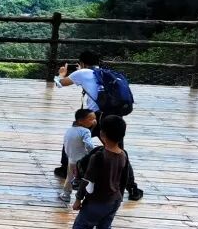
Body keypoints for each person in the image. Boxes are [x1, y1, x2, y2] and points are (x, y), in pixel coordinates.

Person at [49, 115, 138, 229]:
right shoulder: (123, 155)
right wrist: (118, 197)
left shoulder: (99, 156)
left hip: (97, 201)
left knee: (80, 228)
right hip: (114, 200)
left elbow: (87, 180)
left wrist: (78, 199)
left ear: (102, 134)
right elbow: (124, 179)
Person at [56, 51, 143, 199]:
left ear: (82, 63)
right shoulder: (105, 74)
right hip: (114, 117)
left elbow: (60, 84)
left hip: (94, 118)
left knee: (72, 136)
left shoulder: (82, 73)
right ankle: (132, 188)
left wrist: (62, 73)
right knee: (119, 151)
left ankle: (66, 169)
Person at [59, 107, 98, 206]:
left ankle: (66, 195)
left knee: (69, 177)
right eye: (91, 119)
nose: (94, 121)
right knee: (88, 179)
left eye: (95, 118)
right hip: (83, 161)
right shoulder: (86, 131)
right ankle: (87, 196)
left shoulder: (69, 130)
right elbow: (89, 145)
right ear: (80, 121)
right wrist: (93, 153)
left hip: (71, 159)